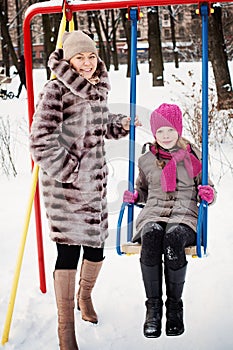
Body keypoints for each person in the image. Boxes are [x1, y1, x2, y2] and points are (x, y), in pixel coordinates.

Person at [29, 30, 139, 350]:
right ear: (68, 59)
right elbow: (40, 142)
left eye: (91, 56)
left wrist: (121, 123)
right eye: (80, 57)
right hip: (66, 189)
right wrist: (72, 171)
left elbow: (99, 125)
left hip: (95, 187)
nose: (88, 63)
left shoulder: (97, 89)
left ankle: (85, 297)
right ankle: (66, 328)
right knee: (68, 252)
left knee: (95, 250)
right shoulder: (56, 90)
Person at [123, 103, 216, 339]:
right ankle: (153, 308)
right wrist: (135, 197)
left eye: (170, 130)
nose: (165, 136)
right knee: (152, 235)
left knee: (173, 239)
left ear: (179, 130)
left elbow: (208, 189)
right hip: (154, 213)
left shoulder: (195, 157)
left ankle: (174, 307)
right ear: (154, 133)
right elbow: (143, 191)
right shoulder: (146, 160)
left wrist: (208, 194)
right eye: (160, 131)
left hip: (185, 215)